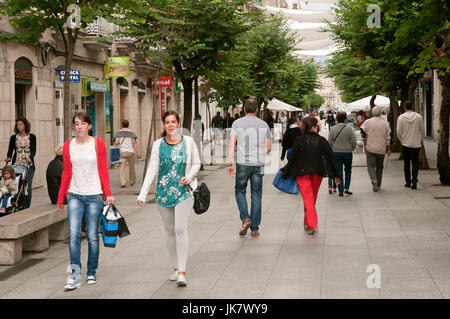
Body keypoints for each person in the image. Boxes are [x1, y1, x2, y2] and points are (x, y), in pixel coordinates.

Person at [137, 111, 201, 287]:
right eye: (167, 122)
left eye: (173, 122)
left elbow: (197, 163)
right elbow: (152, 169)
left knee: (180, 228)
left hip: (183, 191)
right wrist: (143, 193)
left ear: (179, 123)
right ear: (163, 125)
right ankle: (175, 267)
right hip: (163, 192)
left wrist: (188, 176)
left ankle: (182, 271)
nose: (171, 125)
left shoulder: (188, 143)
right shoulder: (158, 145)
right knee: (170, 230)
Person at [57, 112, 115, 290]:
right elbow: (66, 171)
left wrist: (108, 193)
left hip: (94, 195)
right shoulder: (68, 146)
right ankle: (74, 275)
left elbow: (103, 169)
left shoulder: (98, 144)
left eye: (83, 123)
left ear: (89, 126)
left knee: (91, 236)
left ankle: (91, 271)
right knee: (73, 234)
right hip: (74, 194)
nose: (79, 127)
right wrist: (61, 196)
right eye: (76, 124)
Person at [281, 116, 340, 235]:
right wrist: (336, 175)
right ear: (313, 127)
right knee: (310, 199)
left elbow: (292, 158)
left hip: (302, 173)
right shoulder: (322, 141)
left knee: (309, 199)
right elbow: (331, 158)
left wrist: (286, 171)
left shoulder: (298, 140)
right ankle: (313, 224)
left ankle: (308, 222)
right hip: (317, 173)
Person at [227, 97, 272, 238]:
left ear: (244, 109)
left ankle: (245, 218)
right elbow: (269, 147)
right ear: (257, 110)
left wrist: (229, 163)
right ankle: (255, 229)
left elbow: (231, 145)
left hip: (242, 163)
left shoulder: (236, 123)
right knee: (256, 195)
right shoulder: (264, 125)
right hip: (258, 164)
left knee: (240, 191)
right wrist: (260, 154)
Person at [5, 118, 36, 208]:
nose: (19, 126)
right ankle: (19, 204)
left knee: (27, 186)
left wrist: (30, 158)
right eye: (17, 124)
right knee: (17, 186)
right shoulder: (13, 137)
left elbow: (33, 150)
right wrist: (8, 158)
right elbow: (10, 151)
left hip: (29, 165)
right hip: (17, 165)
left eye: (21, 124)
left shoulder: (32, 137)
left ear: (25, 125)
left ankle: (27, 207)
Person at [360, 106, 392, 192]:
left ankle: (374, 179)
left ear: (372, 113)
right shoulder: (385, 123)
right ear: (380, 113)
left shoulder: (367, 122)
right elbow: (388, 137)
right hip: (381, 148)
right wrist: (388, 148)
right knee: (379, 167)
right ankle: (378, 184)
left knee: (370, 166)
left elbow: (362, 131)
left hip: (370, 148)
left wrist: (365, 143)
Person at [396, 100, 425, 190]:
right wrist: (420, 140)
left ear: (404, 107)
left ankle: (408, 182)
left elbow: (398, 131)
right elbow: (422, 130)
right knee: (415, 163)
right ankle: (414, 180)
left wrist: (402, 140)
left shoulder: (401, 117)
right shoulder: (418, 117)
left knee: (407, 163)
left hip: (405, 144)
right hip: (416, 144)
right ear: (412, 107)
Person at [328, 112, 356, 197]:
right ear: (345, 120)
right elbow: (353, 142)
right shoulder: (349, 129)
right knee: (348, 171)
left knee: (338, 172)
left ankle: (340, 190)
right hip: (347, 153)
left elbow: (329, 142)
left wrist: (333, 149)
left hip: (336, 153)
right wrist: (351, 149)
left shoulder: (332, 129)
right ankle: (346, 188)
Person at [114, 120, 140, 188]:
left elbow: (116, 142)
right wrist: (137, 152)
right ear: (128, 125)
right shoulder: (131, 132)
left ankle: (123, 182)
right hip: (131, 152)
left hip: (122, 152)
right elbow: (134, 143)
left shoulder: (118, 132)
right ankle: (132, 181)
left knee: (121, 167)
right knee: (131, 167)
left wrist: (117, 142)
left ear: (122, 125)